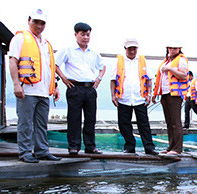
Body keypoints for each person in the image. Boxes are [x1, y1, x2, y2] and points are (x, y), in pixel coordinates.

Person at [9, 9, 61, 163]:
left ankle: (42, 151)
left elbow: (49, 67)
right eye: (36, 22)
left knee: (41, 124)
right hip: (27, 90)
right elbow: (13, 61)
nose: (39, 26)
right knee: (25, 123)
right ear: (29, 20)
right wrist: (16, 84)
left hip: (44, 92)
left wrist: (55, 86)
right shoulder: (20, 38)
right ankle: (25, 152)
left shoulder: (46, 44)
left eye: (42, 23)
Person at [56, 22, 106, 155]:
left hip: (90, 88)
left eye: (88, 35)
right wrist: (63, 78)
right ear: (76, 34)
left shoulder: (93, 52)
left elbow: (103, 67)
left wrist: (99, 78)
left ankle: (90, 146)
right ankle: (74, 146)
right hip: (74, 87)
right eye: (82, 34)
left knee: (90, 118)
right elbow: (55, 64)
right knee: (74, 118)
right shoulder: (68, 50)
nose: (85, 37)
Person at [110, 38, 158, 155]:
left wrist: (149, 94)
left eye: (134, 49)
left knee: (144, 124)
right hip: (124, 97)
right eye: (130, 49)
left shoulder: (143, 60)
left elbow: (149, 79)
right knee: (124, 123)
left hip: (140, 97)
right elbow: (112, 80)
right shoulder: (119, 61)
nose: (132, 51)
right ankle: (129, 146)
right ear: (125, 49)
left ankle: (149, 147)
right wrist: (113, 95)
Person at [152, 41, 189, 155]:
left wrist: (170, 69)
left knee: (175, 121)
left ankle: (177, 148)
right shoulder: (167, 60)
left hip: (175, 94)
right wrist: (155, 93)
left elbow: (183, 75)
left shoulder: (181, 60)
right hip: (165, 93)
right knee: (169, 121)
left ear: (179, 49)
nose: (172, 50)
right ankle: (171, 146)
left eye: (175, 48)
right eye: (170, 48)